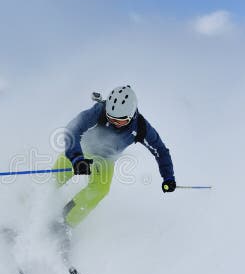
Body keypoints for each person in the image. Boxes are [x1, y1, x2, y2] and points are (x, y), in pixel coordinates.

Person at [53, 85, 176, 229]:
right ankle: (29, 204)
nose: (113, 123)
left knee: (100, 189)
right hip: (82, 148)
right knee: (55, 177)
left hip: (105, 160)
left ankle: (64, 223)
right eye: (110, 118)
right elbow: (72, 129)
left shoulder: (141, 128)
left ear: (131, 116)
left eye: (119, 120)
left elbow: (160, 150)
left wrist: (168, 177)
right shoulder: (100, 111)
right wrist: (76, 158)